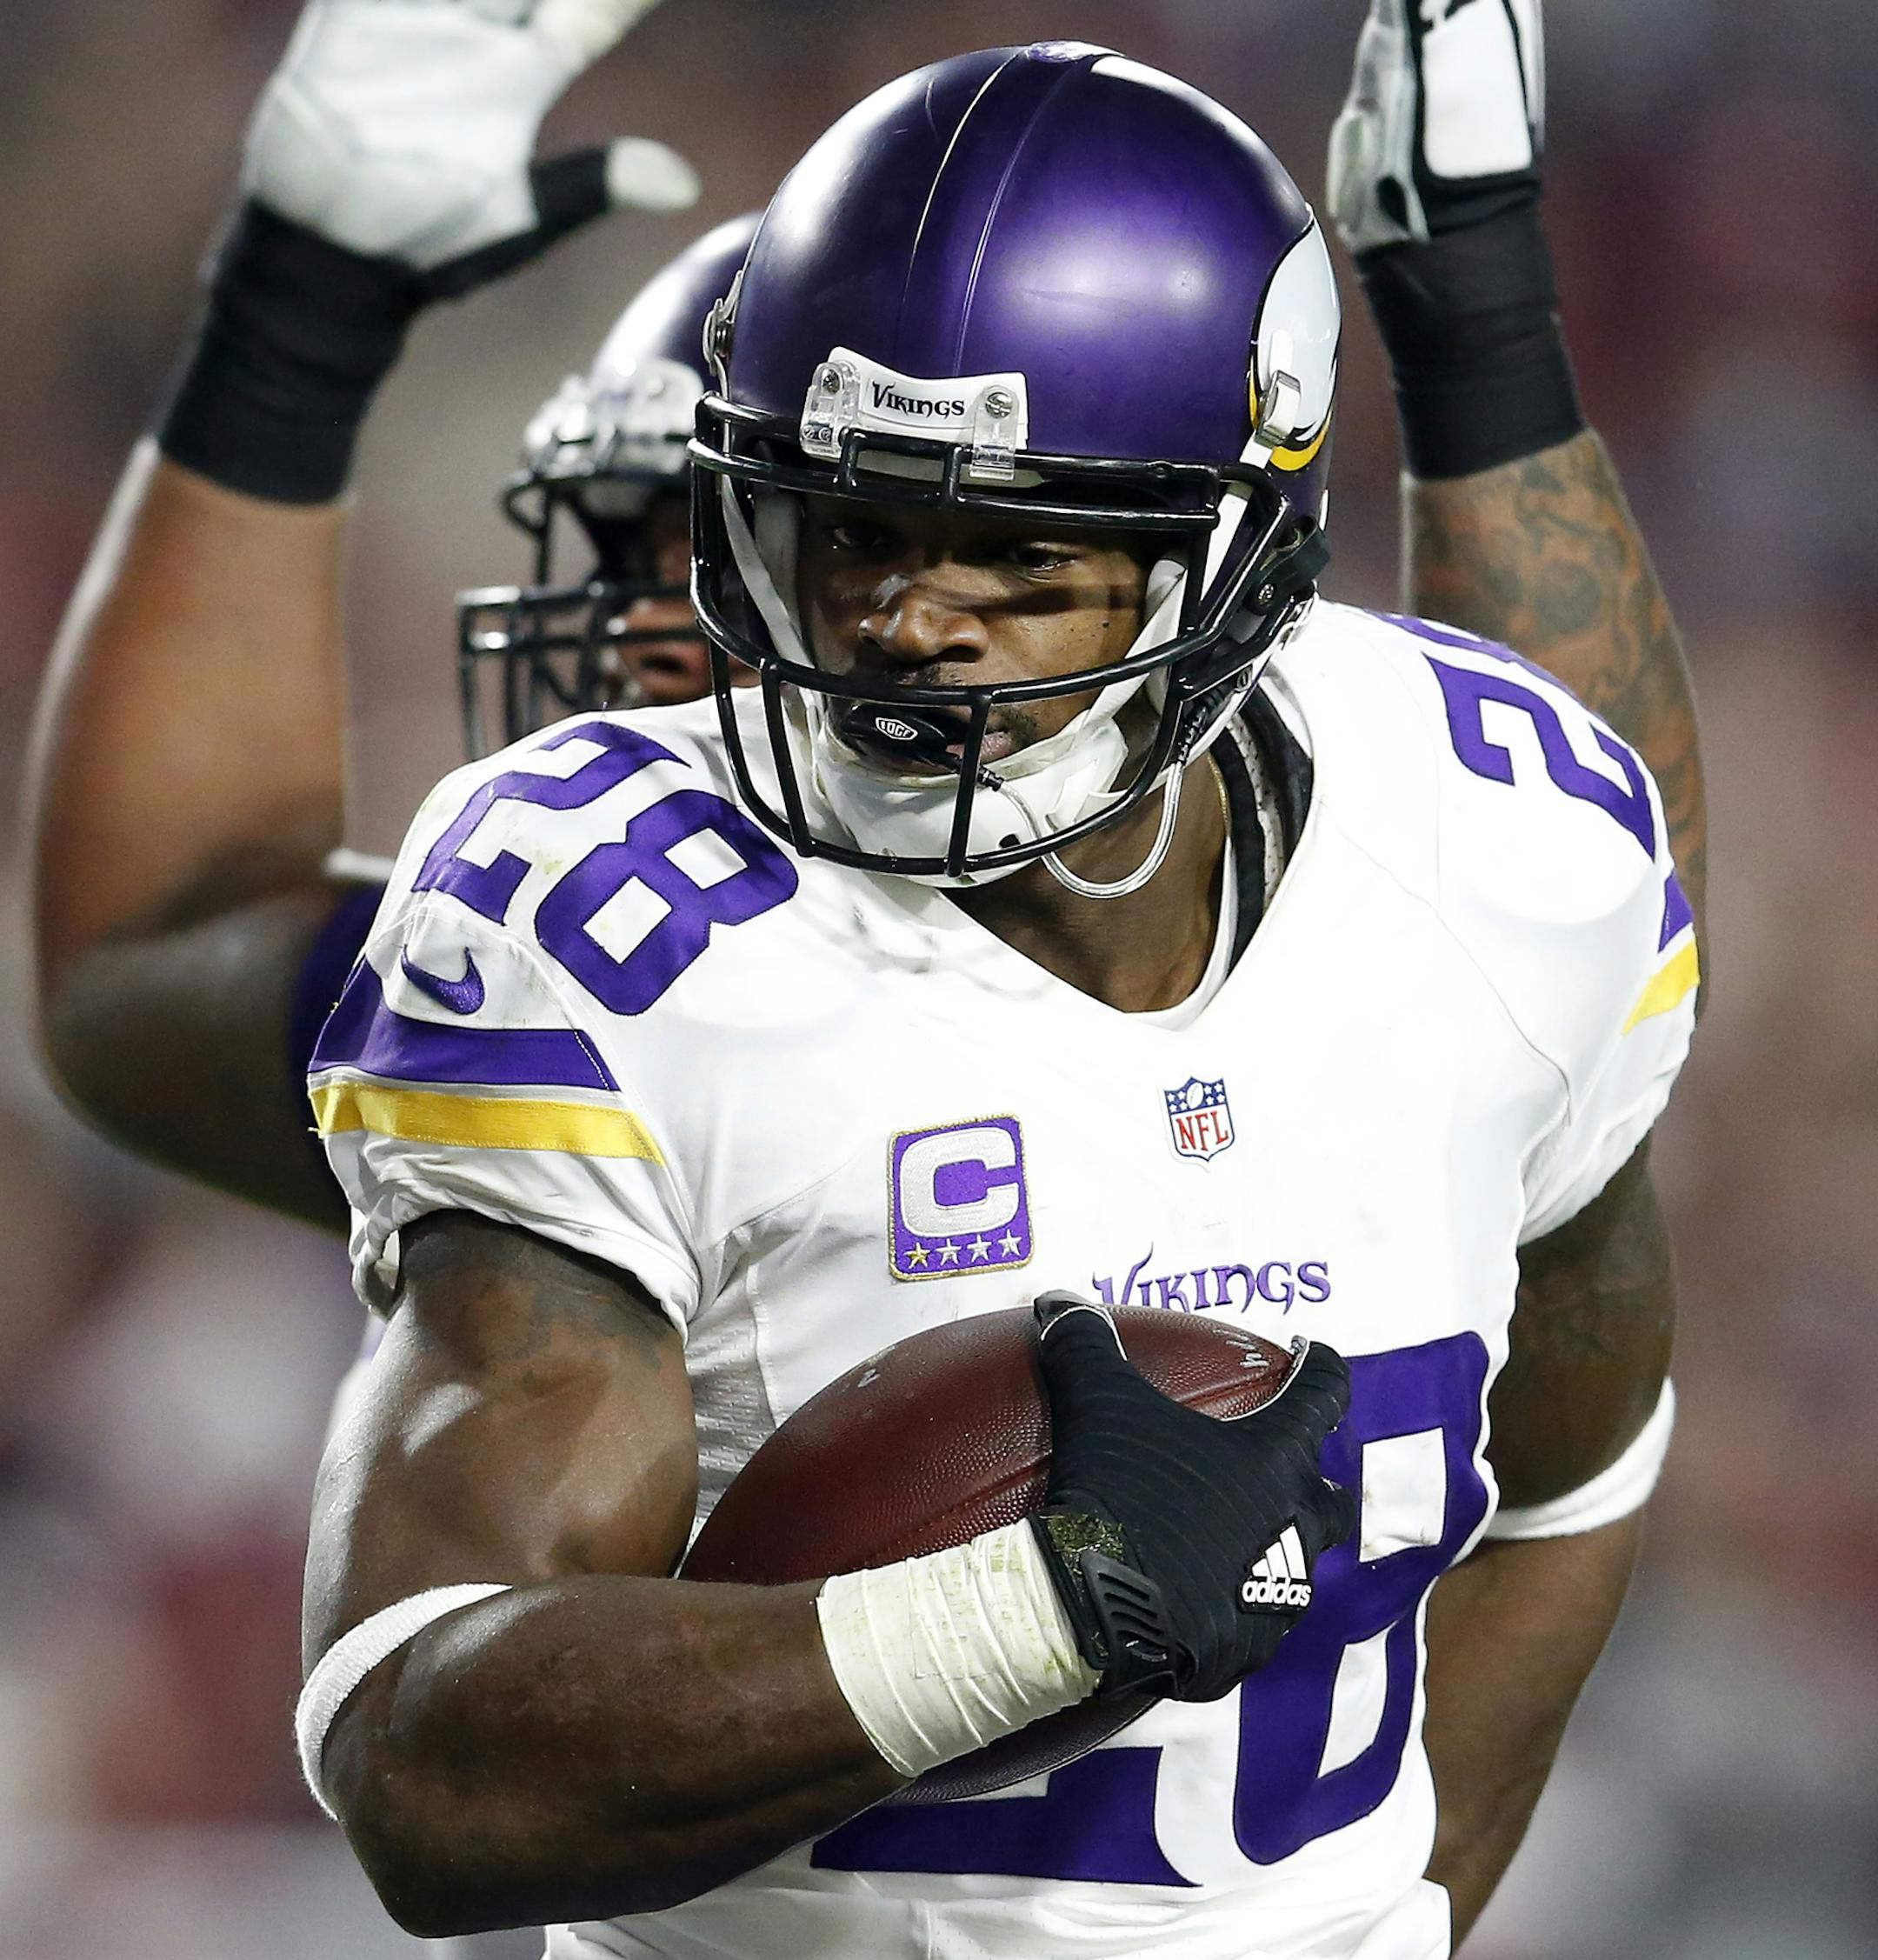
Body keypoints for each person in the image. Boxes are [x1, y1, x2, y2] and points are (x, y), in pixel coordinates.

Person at [25, 0, 1707, 1951]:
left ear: (1226, 562)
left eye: (1007, 545)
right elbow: (427, 1755)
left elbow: (1573, 1447)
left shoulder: (1493, 850)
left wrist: (1385, 1916)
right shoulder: (613, 933)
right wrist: (1027, 1614)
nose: (895, 632)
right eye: (826, 535)